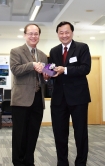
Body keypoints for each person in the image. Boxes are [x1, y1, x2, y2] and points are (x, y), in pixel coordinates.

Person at [49, 21, 91, 166]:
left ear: (72, 32)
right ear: (58, 34)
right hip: (59, 99)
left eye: (67, 32)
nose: (64, 35)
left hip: (78, 97)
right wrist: (47, 74)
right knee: (59, 133)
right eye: (61, 33)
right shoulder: (54, 51)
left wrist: (65, 70)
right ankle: (62, 162)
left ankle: (81, 162)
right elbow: (52, 70)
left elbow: (85, 68)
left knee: (80, 133)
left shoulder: (82, 47)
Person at [10, 23, 47, 166]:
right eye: (30, 33)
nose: (33, 36)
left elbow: (44, 78)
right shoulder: (16, 51)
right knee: (19, 134)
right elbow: (15, 70)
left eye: (36, 33)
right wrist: (32, 65)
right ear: (25, 35)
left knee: (33, 132)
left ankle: (29, 161)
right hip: (21, 100)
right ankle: (18, 162)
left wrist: (47, 76)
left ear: (39, 36)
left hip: (38, 99)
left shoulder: (43, 55)